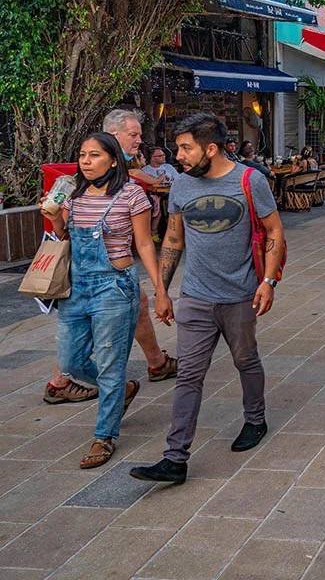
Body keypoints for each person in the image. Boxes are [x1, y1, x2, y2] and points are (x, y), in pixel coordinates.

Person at [130, 113, 284, 485]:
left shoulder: (250, 180)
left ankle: (255, 419)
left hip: (240, 295)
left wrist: (267, 282)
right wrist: (162, 290)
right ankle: (175, 458)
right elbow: (173, 239)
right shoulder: (181, 186)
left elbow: (274, 229)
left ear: (210, 149)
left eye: (186, 148)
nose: (178, 155)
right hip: (196, 297)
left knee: (245, 359)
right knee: (188, 377)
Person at [41, 133, 168, 468]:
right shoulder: (74, 193)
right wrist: (54, 215)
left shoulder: (131, 195)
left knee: (110, 365)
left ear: (113, 160)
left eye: (94, 155)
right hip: (76, 286)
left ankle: (105, 435)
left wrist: (160, 290)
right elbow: (64, 235)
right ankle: (121, 390)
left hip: (115, 287)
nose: (86, 161)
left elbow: (143, 245)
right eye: (82, 154)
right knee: (70, 361)